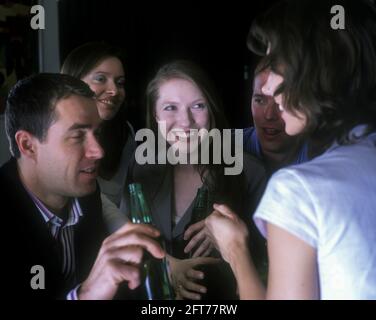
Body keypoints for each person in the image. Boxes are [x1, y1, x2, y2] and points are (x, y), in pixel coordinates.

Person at [205, 0, 376, 299]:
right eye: (258, 98)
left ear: (315, 69)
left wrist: (234, 250)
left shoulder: (297, 190)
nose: (269, 87)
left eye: (276, 64)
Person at [0, 73, 165, 299]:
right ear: (28, 145)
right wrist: (85, 295)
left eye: (97, 133)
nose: (98, 151)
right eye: (78, 136)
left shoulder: (85, 192)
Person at [121, 60, 267, 299]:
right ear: (155, 115)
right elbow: (125, 242)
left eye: (198, 106)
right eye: (170, 108)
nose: (186, 121)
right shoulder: (141, 168)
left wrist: (231, 243)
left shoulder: (249, 172)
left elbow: (268, 266)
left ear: (212, 109)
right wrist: (165, 265)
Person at [61, 42, 135, 232]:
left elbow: (125, 199)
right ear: (73, 81)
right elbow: (95, 200)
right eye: (101, 79)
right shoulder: (57, 134)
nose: (114, 91)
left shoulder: (125, 132)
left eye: (120, 83)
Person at [243, 66, 308, 176]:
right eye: (259, 100)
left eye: (281, 102)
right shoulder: (225, 149)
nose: (269, 115)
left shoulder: (323, 156)